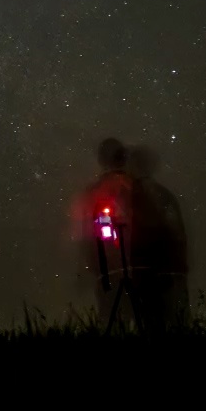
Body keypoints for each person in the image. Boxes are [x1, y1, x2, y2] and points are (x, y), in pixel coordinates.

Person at [127, 145, 190, 333]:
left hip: (147, 270)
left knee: (151, 323)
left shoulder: (131, 196)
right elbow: (178, 233)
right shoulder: (164, 195)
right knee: (171, 320)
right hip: (167, 268)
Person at [75, 138, 137, 325]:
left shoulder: (95, 191)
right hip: (134, 266)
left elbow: (87, 233)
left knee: (111, 317)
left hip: (109, 269)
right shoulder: (137, 187)